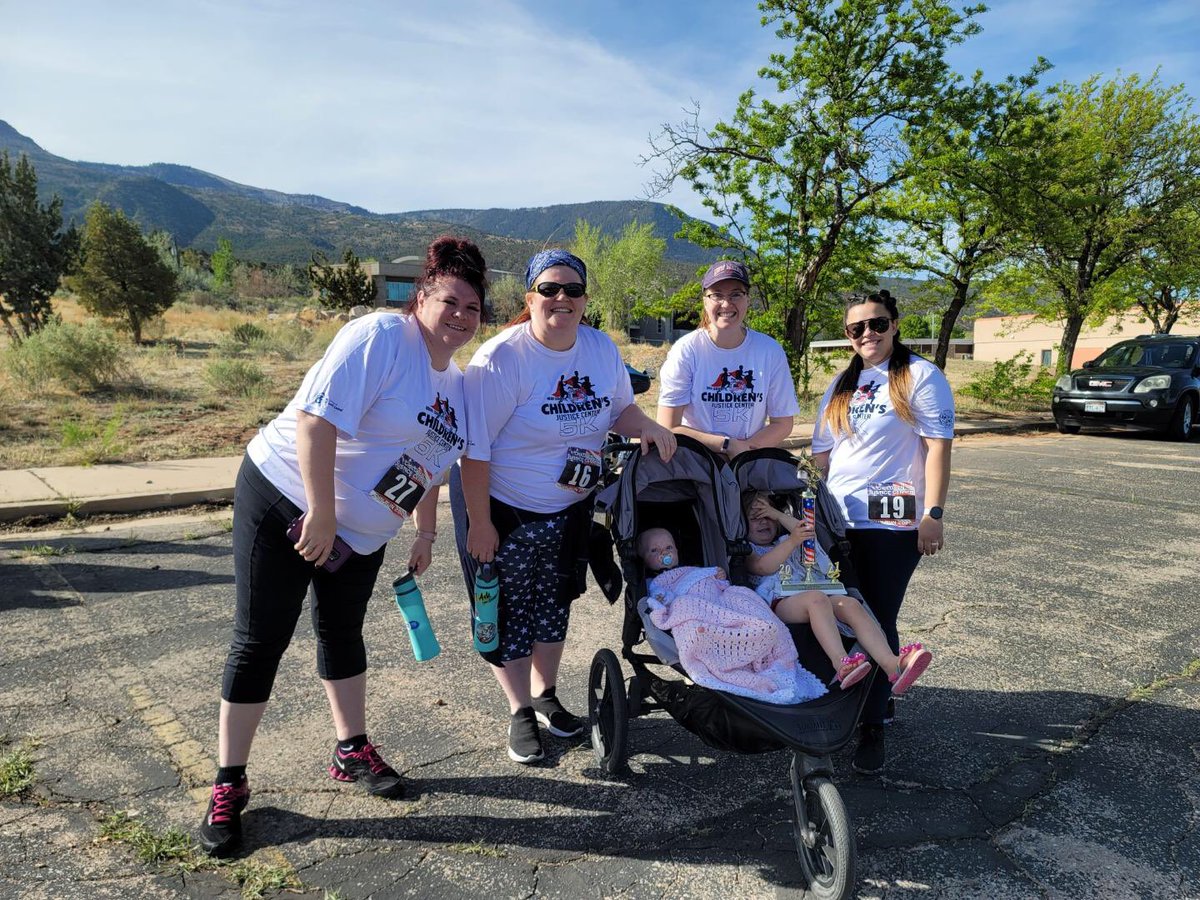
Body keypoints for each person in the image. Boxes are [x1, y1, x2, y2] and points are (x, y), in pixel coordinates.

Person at [198, 237, 488, 857]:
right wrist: (322, 513)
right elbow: (315, 419)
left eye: (473, 307)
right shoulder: (382, 338)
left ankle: (350, 749)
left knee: (342, 633)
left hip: (360, 533)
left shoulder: (458, 383)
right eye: (450, 301)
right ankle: (229, 782)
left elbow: (430, 465)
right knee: (261, 639)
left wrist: (426, 531)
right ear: (422, 296)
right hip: (287, 498)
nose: (461, 316)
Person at [453, 249, 677, 765]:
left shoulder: (599, 348)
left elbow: (619, 409)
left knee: (555, 604)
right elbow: (474, 450)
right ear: (529, 297)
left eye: (572, 290)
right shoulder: (502, 358)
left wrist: (648, 426)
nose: (561, 298)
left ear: (585, 299)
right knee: (508, 611)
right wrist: (480, 523)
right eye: (549, 289)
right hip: (504, 507)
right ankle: (519, 711)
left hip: (570, 506)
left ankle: (546, 694)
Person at [811, 288, 954, 775]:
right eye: (857, 328)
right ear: (847, 335)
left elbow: (938, 448)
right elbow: (822, 452)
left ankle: (871, 726)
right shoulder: (843, 382)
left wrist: (933, 513)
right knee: (841, 613)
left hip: (891, 522)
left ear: (894, 324)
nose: (867, 333)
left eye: (877, 323)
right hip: (839, 520)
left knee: (876, 615)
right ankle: (863, 699)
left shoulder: (919, 375)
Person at [742, 494, 932, 694]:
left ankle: (891, 664)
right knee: (816, 599)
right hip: (778, 602)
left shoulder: (784, 538)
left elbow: (805, 531)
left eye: (768, 517)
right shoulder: (748, 549)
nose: (764, 522)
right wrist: (792, 541)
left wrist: (778, 515)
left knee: (850, 604)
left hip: (807, 592)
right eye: (755, 518)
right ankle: (841, 662)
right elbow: (763, 567)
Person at [636, 528, 827, 705]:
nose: (664, 553)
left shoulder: (693, 570)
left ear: (677, 550)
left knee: (748, 604)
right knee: (692, 622)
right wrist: (664, 602)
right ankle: (729, 661)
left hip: (720, 604)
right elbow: (661, 602)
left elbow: (717, 586)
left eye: (668, 548)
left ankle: (756, 643)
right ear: (643, 559)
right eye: (654, 550)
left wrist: (715, 576)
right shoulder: (655, 583)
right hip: (694, 609)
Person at [657, 260, 801, 458]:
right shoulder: (686, 350)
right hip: (696, 462)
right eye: (717, 295)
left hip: (749, 461)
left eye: (736, 294)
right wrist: (726, 445)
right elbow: (668, 425)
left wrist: (744, 452)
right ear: (705, 301)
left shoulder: (770, 351)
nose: (726, 303)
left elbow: (782, 423)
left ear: (747, 299)